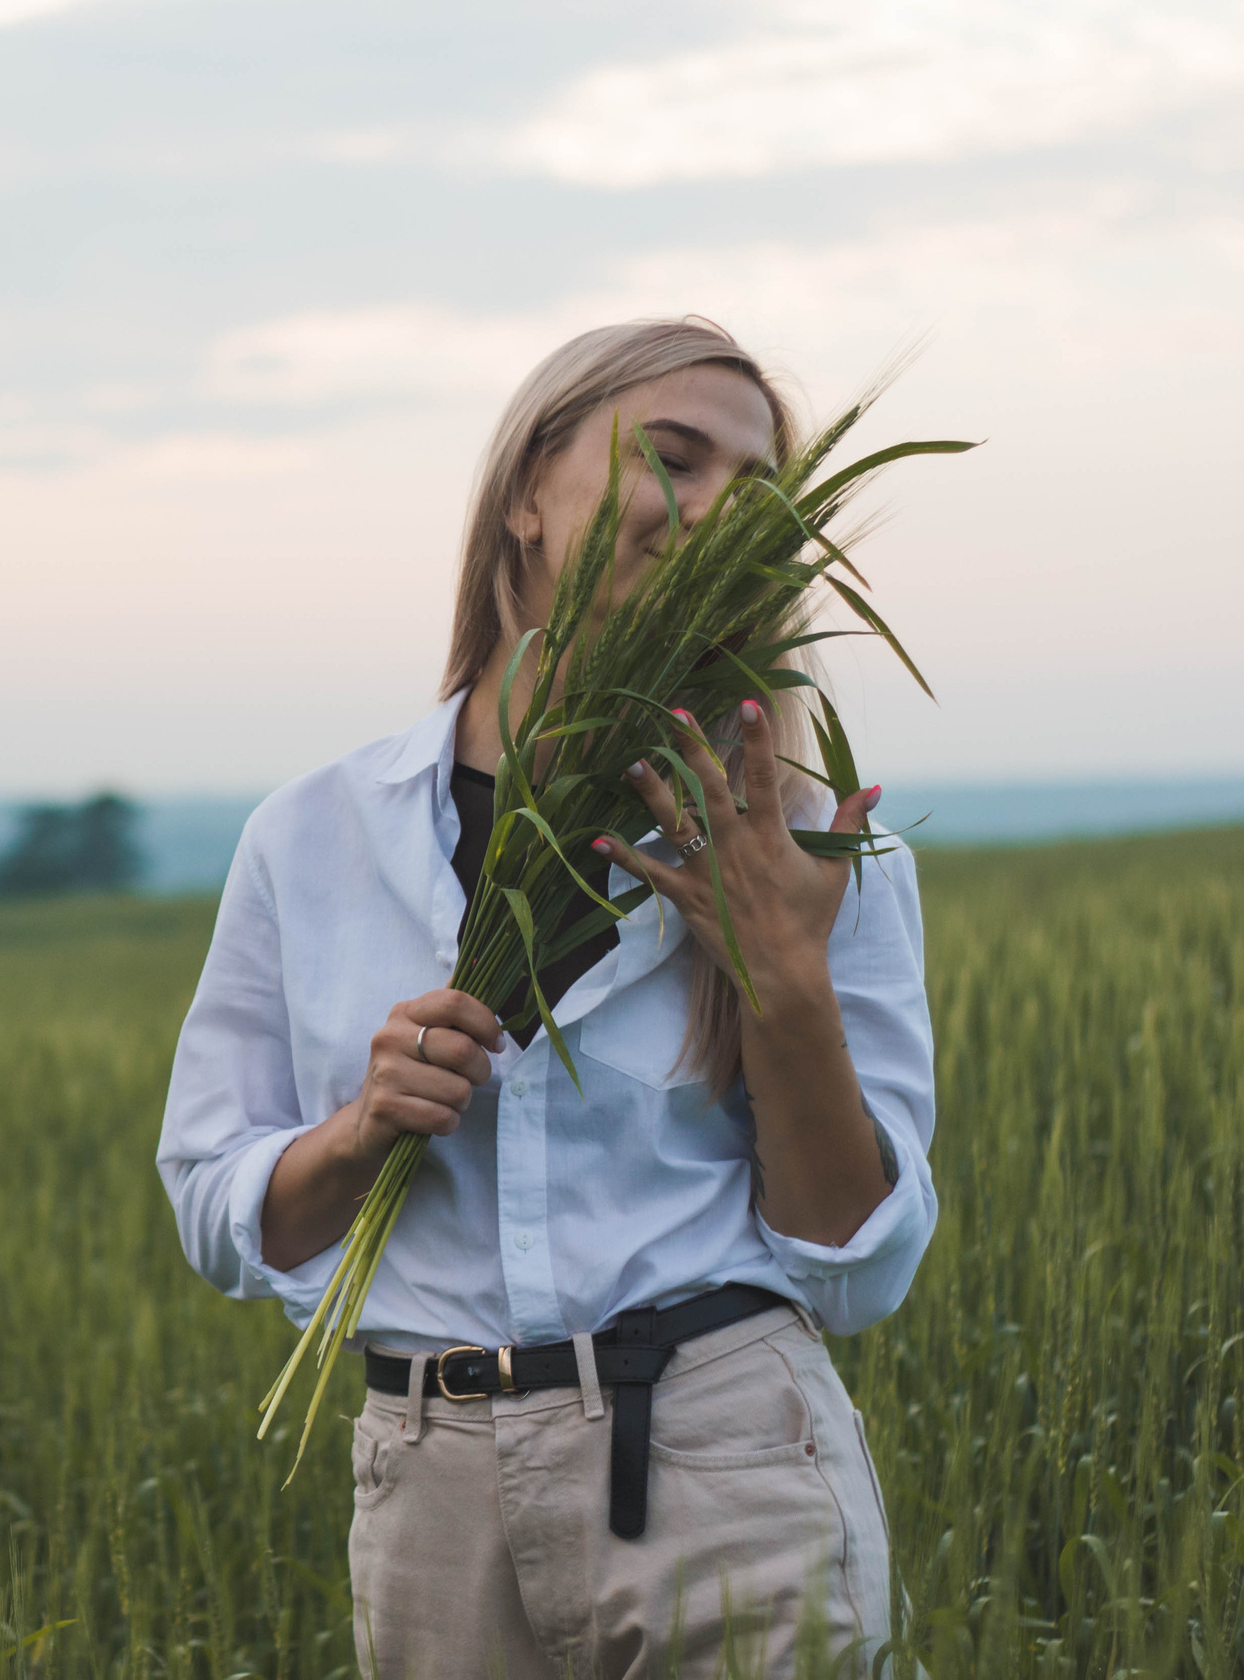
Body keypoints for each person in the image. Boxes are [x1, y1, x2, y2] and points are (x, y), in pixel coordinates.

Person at [155, 318, 937, 1679]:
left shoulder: (805, 847)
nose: (717, 515)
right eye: (675, 460)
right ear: (527, 490)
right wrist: (360, 1132)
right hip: (430, 1489)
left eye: (756, 494)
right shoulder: (317, 835)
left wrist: (784, 982)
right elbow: (219, 1210)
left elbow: (855, 1266)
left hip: (723, 1456)